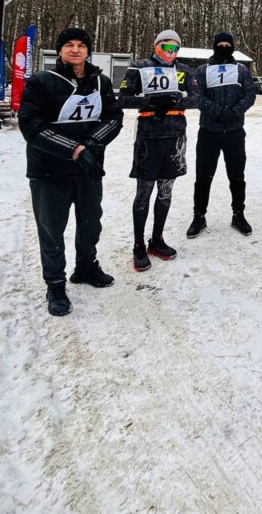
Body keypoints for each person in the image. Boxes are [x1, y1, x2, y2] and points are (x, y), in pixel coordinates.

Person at [18, 27, 123, 316]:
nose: (75, 50)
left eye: (80, 45)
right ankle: (55, 285)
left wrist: (91, 143)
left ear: (88, 51)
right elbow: (31, 126)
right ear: (60, 51)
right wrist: (75, 149)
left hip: (88, 170)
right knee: (52, 230)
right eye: (68, 45)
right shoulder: (41, 82)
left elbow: (114, 117)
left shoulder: (100, 82)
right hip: (49, 171)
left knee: (91, 223)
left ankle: (86, 268)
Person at [119, 30, 194, 271]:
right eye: (165, 47)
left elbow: (198, 98)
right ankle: (138, 244)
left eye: (174, 48)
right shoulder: (138, 67)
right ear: (156, 45)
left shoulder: (183, 70)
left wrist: (175, 100)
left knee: (165, 191)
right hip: (148, 138)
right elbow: (122, 99)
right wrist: (151, 102)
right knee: (144, 192)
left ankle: (157, 239)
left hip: (174, 138)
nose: (170, 52)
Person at [187, 32, 257, 238]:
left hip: (234, 131)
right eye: (220, 44)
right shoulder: (202, 70)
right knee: (203, 177)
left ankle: (238, 214)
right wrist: (217, 111)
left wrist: (234, 112)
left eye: (228, 44)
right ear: (214, 46)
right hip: (209, 131)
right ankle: (199, 215)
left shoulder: (241, 70)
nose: (224, 47)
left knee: (237, 176)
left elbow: (250, 94)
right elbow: (197, 96)